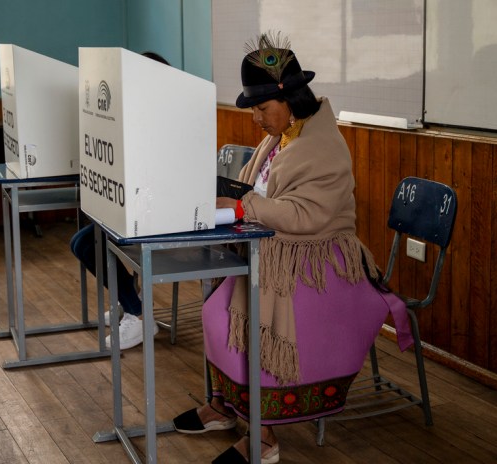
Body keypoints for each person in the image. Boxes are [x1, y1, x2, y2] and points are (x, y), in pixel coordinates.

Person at [172, 32, 413, 463]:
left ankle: (263, 437)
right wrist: (241, 202)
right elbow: (261, 195)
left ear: (288, 99)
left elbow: (307, 217)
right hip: (279, 250)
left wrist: (243, 205)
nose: (257, 119)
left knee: (248, 322)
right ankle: (226, 407)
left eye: (262, 109)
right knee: (216, 308)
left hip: (322, 264)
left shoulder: (323, 146)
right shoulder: (282, 136)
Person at [70, 51, 170, 351]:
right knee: (81, 243)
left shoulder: (165, 117)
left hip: (158, 215)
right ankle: (131, 304)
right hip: (139, 208)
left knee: (90, 244)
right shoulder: (137, 113)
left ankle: (138, 315)